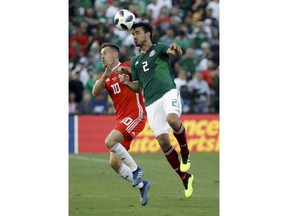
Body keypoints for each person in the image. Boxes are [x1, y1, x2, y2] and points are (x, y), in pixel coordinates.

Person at [119, 22, 194, 198]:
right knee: (163, 142)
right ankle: (185, 177)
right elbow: (139, 86)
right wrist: (127, 83)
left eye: (137, 33)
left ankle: (185, 153)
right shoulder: (136, 61)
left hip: (167, 92)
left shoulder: (159, 48)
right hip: (151, 103)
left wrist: (176, 49)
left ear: (148, 34)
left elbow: (175, 52)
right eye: (133, 34)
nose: (134, 36)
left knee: (173, 120)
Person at [92, 43, 150, 206]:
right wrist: (105, 75)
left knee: (109, 141)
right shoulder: (105, 75)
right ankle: (142, 185)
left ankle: (136, 170)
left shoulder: (128, 65)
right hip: (121, 120)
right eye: (100, 54)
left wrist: (125, 72)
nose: (102, 56)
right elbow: (95, 93)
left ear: (115, 54)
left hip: (135, 115)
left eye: (105, 53)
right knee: (114, 163)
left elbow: (142, 74)